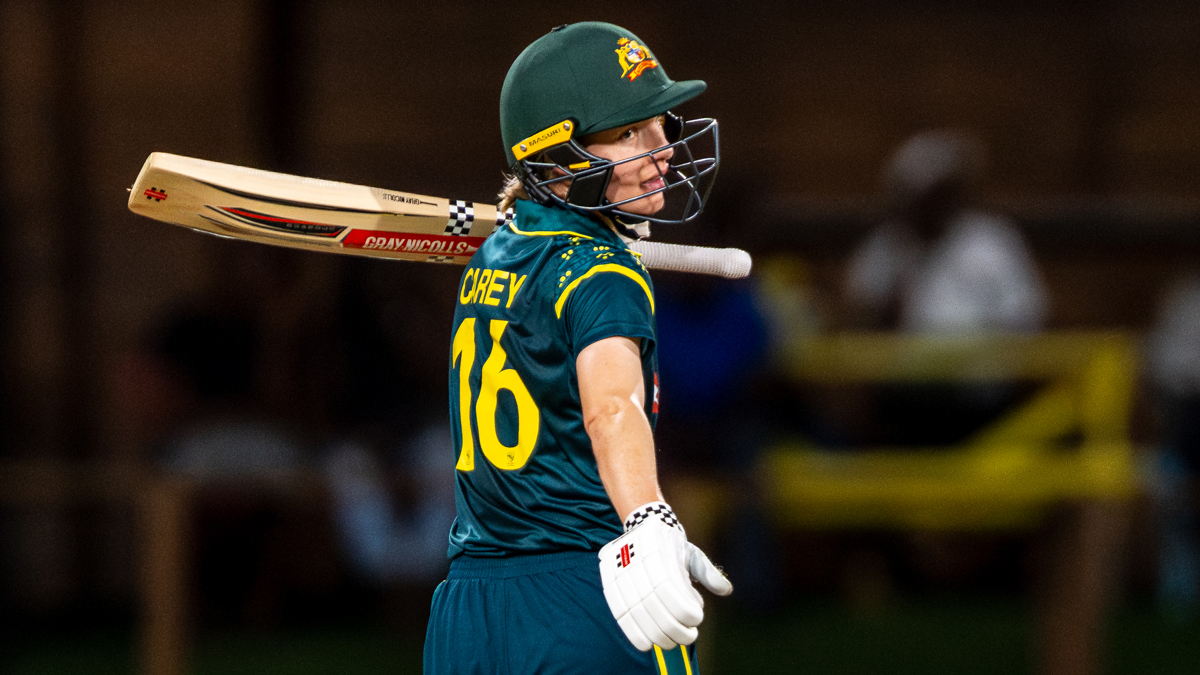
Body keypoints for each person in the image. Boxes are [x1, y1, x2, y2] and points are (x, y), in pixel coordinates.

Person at [423, 22, 732, 674]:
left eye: (660, 124)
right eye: (631, 132)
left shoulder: (494, 256)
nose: (664, 148)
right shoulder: (602, 272)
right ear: (561, 158)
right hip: (587, 596)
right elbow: (611, 405)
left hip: (468, 611)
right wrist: (648, 517)